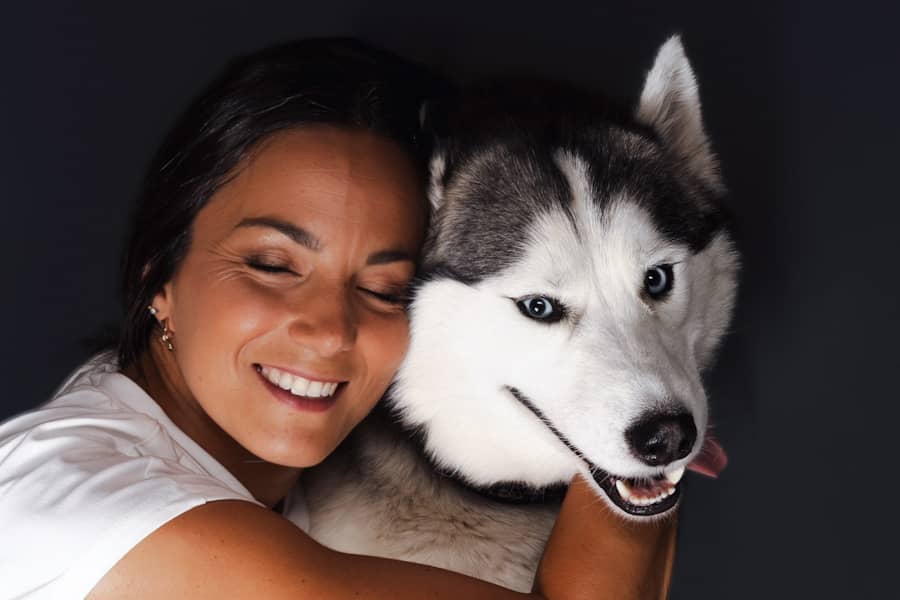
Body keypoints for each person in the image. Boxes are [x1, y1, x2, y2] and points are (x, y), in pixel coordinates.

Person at [0, 38, 678, 599]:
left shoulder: (233, 464)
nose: (328, 329)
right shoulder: (77, 505)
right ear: (160, 274)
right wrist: (651, 383)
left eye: (385, 289)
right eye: (272, 265)